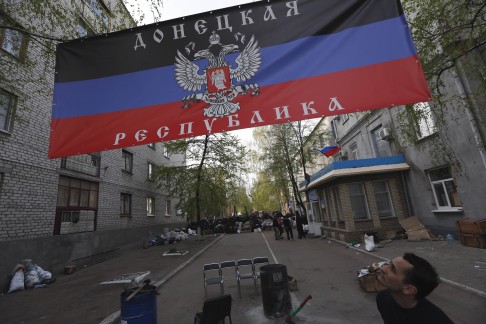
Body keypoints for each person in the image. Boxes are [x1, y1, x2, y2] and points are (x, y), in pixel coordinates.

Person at [376, 253, 454, 324]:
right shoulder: (383, 298)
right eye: (389, 263)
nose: (383, 268)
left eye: (393, 269)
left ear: (408, 289)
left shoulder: (435, 320)